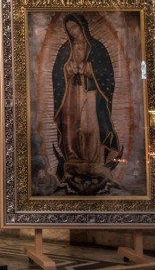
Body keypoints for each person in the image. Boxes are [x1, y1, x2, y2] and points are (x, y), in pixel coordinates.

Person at [51, 14, 122, 195]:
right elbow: (57, 74)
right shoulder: (65, 49)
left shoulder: (97, 48)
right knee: (72, 126)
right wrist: (67, 70)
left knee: (90, 126)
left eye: (74, 27)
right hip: (71, 95)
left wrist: (88, 69)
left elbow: (107, 74)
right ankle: (73, 158)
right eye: (69, 29)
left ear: (82, 26)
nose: (72, 32)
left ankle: (94, 160)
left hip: (91, 94)